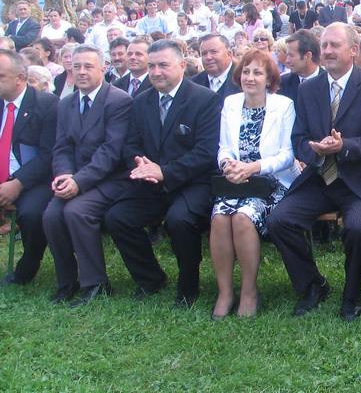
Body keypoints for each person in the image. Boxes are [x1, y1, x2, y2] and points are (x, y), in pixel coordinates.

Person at [265, 24, 361, 321]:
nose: (327, 51)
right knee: (279, 220)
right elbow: (298, 138)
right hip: (320, 178)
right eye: (324, 45)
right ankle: (313, 285)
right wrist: (314, 149)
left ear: (354, 50)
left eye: (334, 45)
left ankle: (352, 294)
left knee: (358, 229)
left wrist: (344, 146)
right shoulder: (308, 88)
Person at [104, 40, 220, 306]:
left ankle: (188, 284)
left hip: (193, 182)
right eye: (152, 66)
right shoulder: (141, 101)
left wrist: (165, 172)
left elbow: (206, 152)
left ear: (182, 65)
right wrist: (140, 164)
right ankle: (150, 278)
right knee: (118, 217)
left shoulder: (205, 100)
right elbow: (130, 144)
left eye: (163, 65)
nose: (156, 72)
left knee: (179, 220)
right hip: (150, 182)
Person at [210, 49, 299, 319]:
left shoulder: (283, 105)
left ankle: (249, 291)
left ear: (269, 79)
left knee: (242, 217)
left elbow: (287, 155)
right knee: (219, 218)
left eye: (257, 73)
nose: (250, 77)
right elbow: (224, 147)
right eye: (246, 71)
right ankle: (225, 292)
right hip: (236, 180)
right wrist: (228, 165)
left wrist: (253, 167)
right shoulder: (231, 103)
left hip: (270, 182)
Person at [42, 45, 132, 306]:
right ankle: (67, 281)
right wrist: (64, 175)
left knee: (76, 212)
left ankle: (96, 283)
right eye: (77, 66)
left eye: (88, 66)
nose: (81, 72)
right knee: (51, 216)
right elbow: (61, 146)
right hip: (75, 177)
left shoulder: (118, 101)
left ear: (103, 68)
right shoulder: (66, 103)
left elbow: (111, 152)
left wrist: (78, 182)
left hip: (111, 178)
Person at [0, 50, 58, 288]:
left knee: (33, 214)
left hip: (34, 179)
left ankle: (27, 266)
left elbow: (49, 155)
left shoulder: (47, 104)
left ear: (20, 78)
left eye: (1, 76)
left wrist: (17, 183)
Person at [193, 34, 241, 109]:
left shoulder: (243, 80)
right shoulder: (193, 84)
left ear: (229, 54)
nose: (208, 57)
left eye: (214, 52)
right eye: (204, 53)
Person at [279, 29, 324, 105]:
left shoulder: (329, 83)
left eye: (291, 55)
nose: (287, 61)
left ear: (308, 56)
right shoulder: (282, 83)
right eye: (287, 55)